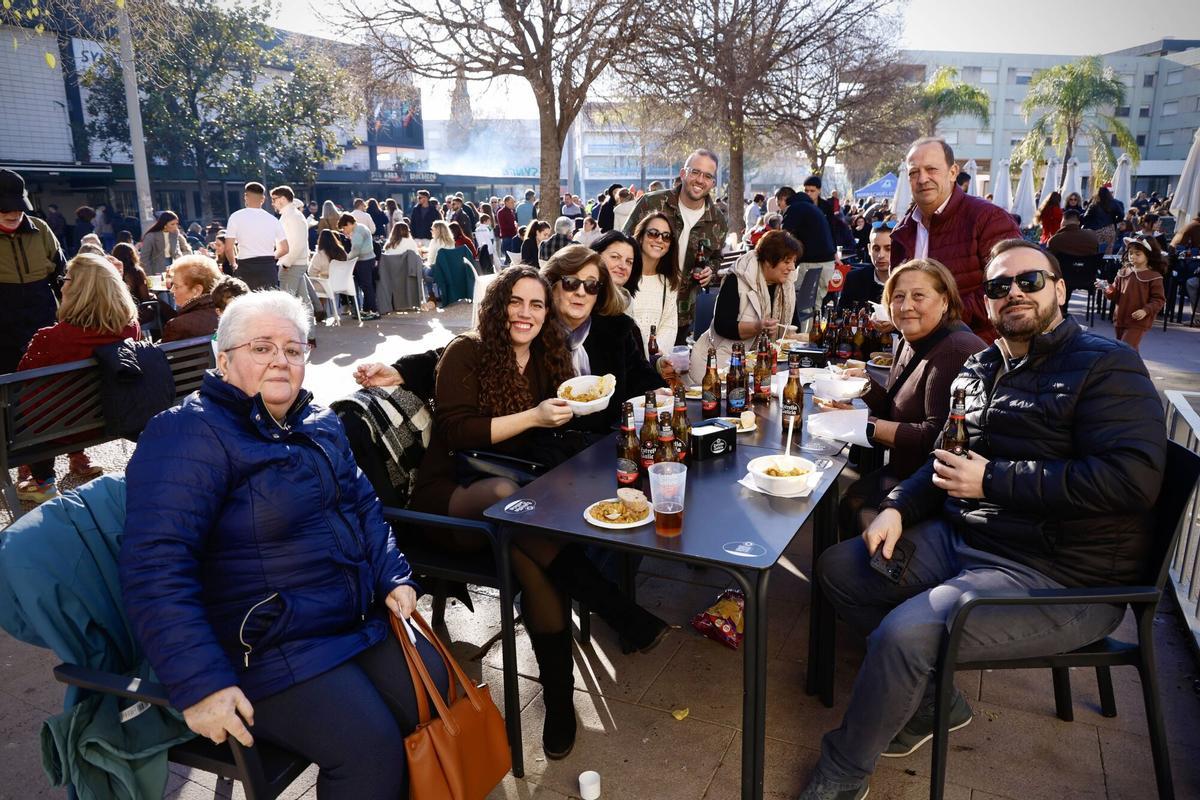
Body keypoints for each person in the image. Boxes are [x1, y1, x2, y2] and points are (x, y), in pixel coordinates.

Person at [799, 238, 1167, 800]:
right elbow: (947, 457)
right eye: (999, 286)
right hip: (970, 538)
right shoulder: (982, 365)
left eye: (1030, 281)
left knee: (903, 637)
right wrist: (897, 510)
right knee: (840, 567)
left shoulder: (1106, 364)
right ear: (986, 301)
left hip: (1063, 575)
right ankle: (934, 701)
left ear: (1060, 289)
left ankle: (843, 771)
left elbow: (1131, 481)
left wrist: (993, 479)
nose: (1013, 293)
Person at [120, 291, 449, 797]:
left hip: (348, 617)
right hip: (264, 647)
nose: (281, 360)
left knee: (433, 689)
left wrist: (392, 573)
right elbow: (156, 569)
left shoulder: (315, 421)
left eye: (293, 349)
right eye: (262, 347)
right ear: (223, 358)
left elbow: (362, 504)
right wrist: (200, 683)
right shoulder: (188, 435)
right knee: (369, 749)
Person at [355, 266, 667, 759]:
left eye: (537, 305)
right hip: (452, 497)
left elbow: (556, 428)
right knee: (507, 497)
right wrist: (534, 416)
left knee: (525, 542)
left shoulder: (549, 356)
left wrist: (573, 412)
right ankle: (614, 608)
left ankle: (560, 704)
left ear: (547, 314)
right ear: (497, 306)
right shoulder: (468, 351)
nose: (526, 313)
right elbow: (457, 434)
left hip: (520, 506)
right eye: (516, 302)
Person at [836, 259, 986, 536]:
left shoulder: (954, 350)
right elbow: (897, 408)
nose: (906, 306)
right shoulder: (910, 338)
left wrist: (858, 425)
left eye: (919, 296)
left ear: (945, 301)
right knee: (849, 500)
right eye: (898, 297)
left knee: (856, 505)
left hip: (937, 487)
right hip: (909, 469)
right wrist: (864, 384)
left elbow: (934, 437)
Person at [15, 254, 139, 503]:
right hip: (107, 418)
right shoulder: (130, 328)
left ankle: (43, 481)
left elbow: (21, 386)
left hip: (55, 429)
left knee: (30, 406)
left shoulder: (50, 339)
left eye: (66, 278)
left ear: (80, 288)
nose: (61, 284)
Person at [888, 137, 1022, 343]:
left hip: (977, 352)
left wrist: (941, 316)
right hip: (920, 351)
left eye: (931, 169)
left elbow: (1007, 286)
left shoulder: (988, 218)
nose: (922, 179)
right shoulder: (903, 231)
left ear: (953, 172)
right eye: (914, 172)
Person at [623, 149, 727, 345]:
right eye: (695, 172)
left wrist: (709, 271)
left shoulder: (718, 221)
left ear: (713, 183)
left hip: (682, 311)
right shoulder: (652, 203)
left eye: (707, 176)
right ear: (683, 174)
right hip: (638, 300)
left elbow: (716, 257)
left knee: (667, 368)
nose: (700, 180)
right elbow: (624, 242)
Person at [686, 230, 800, 383]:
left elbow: (794, 325)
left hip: (764, 365)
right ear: (768, 261)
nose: (792, 267)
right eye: (786, 262)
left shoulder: (786, 286)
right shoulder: (738, 278)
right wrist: (757, 326)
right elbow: (722, 325)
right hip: (720, 365)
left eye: (793, 261)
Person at [0, 169, 65, 375]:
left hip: (43, 317)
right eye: (5, 209)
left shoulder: (41, 228)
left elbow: (62, 275)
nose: (14, 214)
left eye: (19, 208)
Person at [627, 213, 681, 360]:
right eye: (653, 233)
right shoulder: (624, 274)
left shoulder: (669, 282)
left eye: (666, 236)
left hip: (651, 363)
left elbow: (669, 326)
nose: (659, 240)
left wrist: (655, 356)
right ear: (641, 236)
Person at [1102, 235, 1166, 352]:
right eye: (1131, 253)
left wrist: (1145, 310)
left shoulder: (1154, 276)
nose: (1132, 256)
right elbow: (1115, 295)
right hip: (1120, 318)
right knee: (1128, 350)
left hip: (1138, 321)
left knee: (1125, 349)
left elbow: (1159, 300)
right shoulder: (1123, 272)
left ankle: (1128, 369)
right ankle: (1133, 369)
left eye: (1138, 254)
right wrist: (1107, 288)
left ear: (1148, 255)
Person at [270, 186, 316, 341]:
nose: (273, 203)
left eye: (274, 200)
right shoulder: (292, 215)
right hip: (294, 263)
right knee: (303, 301)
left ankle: (296, 338)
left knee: (286, 304)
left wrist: (286, 263)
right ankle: (309, 336)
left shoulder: (292, 216)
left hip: (292, 264)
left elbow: (296, 244)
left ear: (282, 199)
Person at [777, 186, 836, 303]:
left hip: (811, 264)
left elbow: (783, 237)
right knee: (817, 306)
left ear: (784, 199)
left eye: (779, 205)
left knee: (803, 307)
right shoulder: (813, 208)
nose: (780, 209)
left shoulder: (794, 208)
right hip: (828, 263)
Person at [225, 182, 288, 291]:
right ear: (263, 199)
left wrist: (233, 265)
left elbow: (228, 248)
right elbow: (285, 249)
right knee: (269, 304)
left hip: (245, 266)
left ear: (245, 197)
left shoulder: (235, 217)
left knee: (246, 304)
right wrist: (270, 257)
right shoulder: (273, 220)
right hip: (268, 266)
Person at [161, 255, 221, 343]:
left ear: (196, 291)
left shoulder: (178, 325)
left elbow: (163, 354)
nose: (171, 290)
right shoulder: (229, 313)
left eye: (176, 286)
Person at [838, 222, 894, 312]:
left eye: (888, 249)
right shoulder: (853, 279)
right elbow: (840, 315)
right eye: (876, 248)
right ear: (869, 249)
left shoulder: (906, 282)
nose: (881, 255)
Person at [339, 212, 381, 320]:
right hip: (369, 259)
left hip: (364, 261)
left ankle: (374, 310)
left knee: (366, 287)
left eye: (344, 228)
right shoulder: (362, 227)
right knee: (367, 286)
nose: (344, 231)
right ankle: (367, 310)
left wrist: (346, 258)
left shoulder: (357, 232)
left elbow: (355, 251)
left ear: (349, 223)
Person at [589, 230, 639, 311]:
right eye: (615, 257)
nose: (623, 266)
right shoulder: (581, 292)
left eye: (629, 262)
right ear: (596, 256)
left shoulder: (628, 303)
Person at [139, 211, 192, 276]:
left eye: (176, 224)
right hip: (157, 268)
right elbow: (144, 258)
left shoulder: (175, 233)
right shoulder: (151, 236)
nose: (176, 227)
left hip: (175, 266)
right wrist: (149, 275)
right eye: (172, 224)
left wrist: (181, 259)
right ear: (164, 225)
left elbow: (184, 249)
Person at [1082, 186, 1123, 253]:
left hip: (1095, 230)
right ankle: (1106, 263)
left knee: (1094, 251)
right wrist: (1113, 222)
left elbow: (1085, 217)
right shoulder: (1115, 203)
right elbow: (1121, 215)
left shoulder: (1094, 204)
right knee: (1108, 252)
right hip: (1110, 229)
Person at [496, 195, 519, 263]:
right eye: (511, 202)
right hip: (507, 237)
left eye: (513, 202)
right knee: (508, 259)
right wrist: (514, 226)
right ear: (506, 202)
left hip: (513, 236)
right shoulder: (501, 212)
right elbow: (503, 226)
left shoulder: (511, 211)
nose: (513, 203)